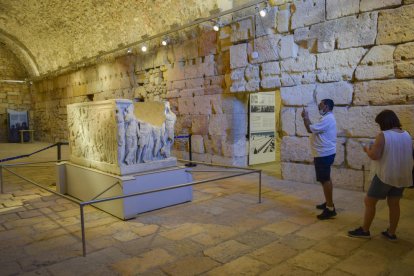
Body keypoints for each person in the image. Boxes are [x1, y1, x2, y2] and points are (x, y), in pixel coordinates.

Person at [348, 110, 413, 241]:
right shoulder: (406, 134)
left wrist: (367, 149)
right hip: (402, 175)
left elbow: (375, 155)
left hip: (386, 174)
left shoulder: (383, 135)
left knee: (369, 201)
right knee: (394, 203)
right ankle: (391, 233)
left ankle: (365, 230)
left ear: (384, 122)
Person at [301, 99, 337, 220]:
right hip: (324, 153)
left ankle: (330, 208)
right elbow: (313, 127)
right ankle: (328, 202)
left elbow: (309, 129)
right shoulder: (326, 118)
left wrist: (305, 117)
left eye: (320, 105)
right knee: (325, 179)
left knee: (325, 180)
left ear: (326, 106)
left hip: (324, 154)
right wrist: (307, 119)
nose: (318, 107)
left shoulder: (327, 119)